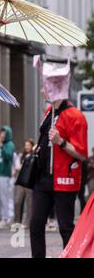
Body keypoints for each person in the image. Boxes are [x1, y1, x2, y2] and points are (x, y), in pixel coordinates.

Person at [29, 98, 87, 258]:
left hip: (64, 179)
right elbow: (44, 139)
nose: (42, 90)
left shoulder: (75, 115)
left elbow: (82, 154)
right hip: (43, 177)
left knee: (65, 226)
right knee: (36, 224)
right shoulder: (49, 112)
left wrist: (60, 142)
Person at [0, 126, 15, 230]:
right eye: (1, 133)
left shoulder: (9, 144)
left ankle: (6, 219)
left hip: (4, 175)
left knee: (4, 198)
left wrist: (0, 145)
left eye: (4, 133)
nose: (1, 135)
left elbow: (8, 156)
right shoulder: (0, 146)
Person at [11, 139, 34, 230]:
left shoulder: (34, 156)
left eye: (29, 145)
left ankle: (28, 223)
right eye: (26, 145)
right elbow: (17, 167)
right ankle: (17, 221)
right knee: (17, 201)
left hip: (29, 182)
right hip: (20, 181)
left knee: (29, 203)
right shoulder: (21, 156)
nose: (27, 147)